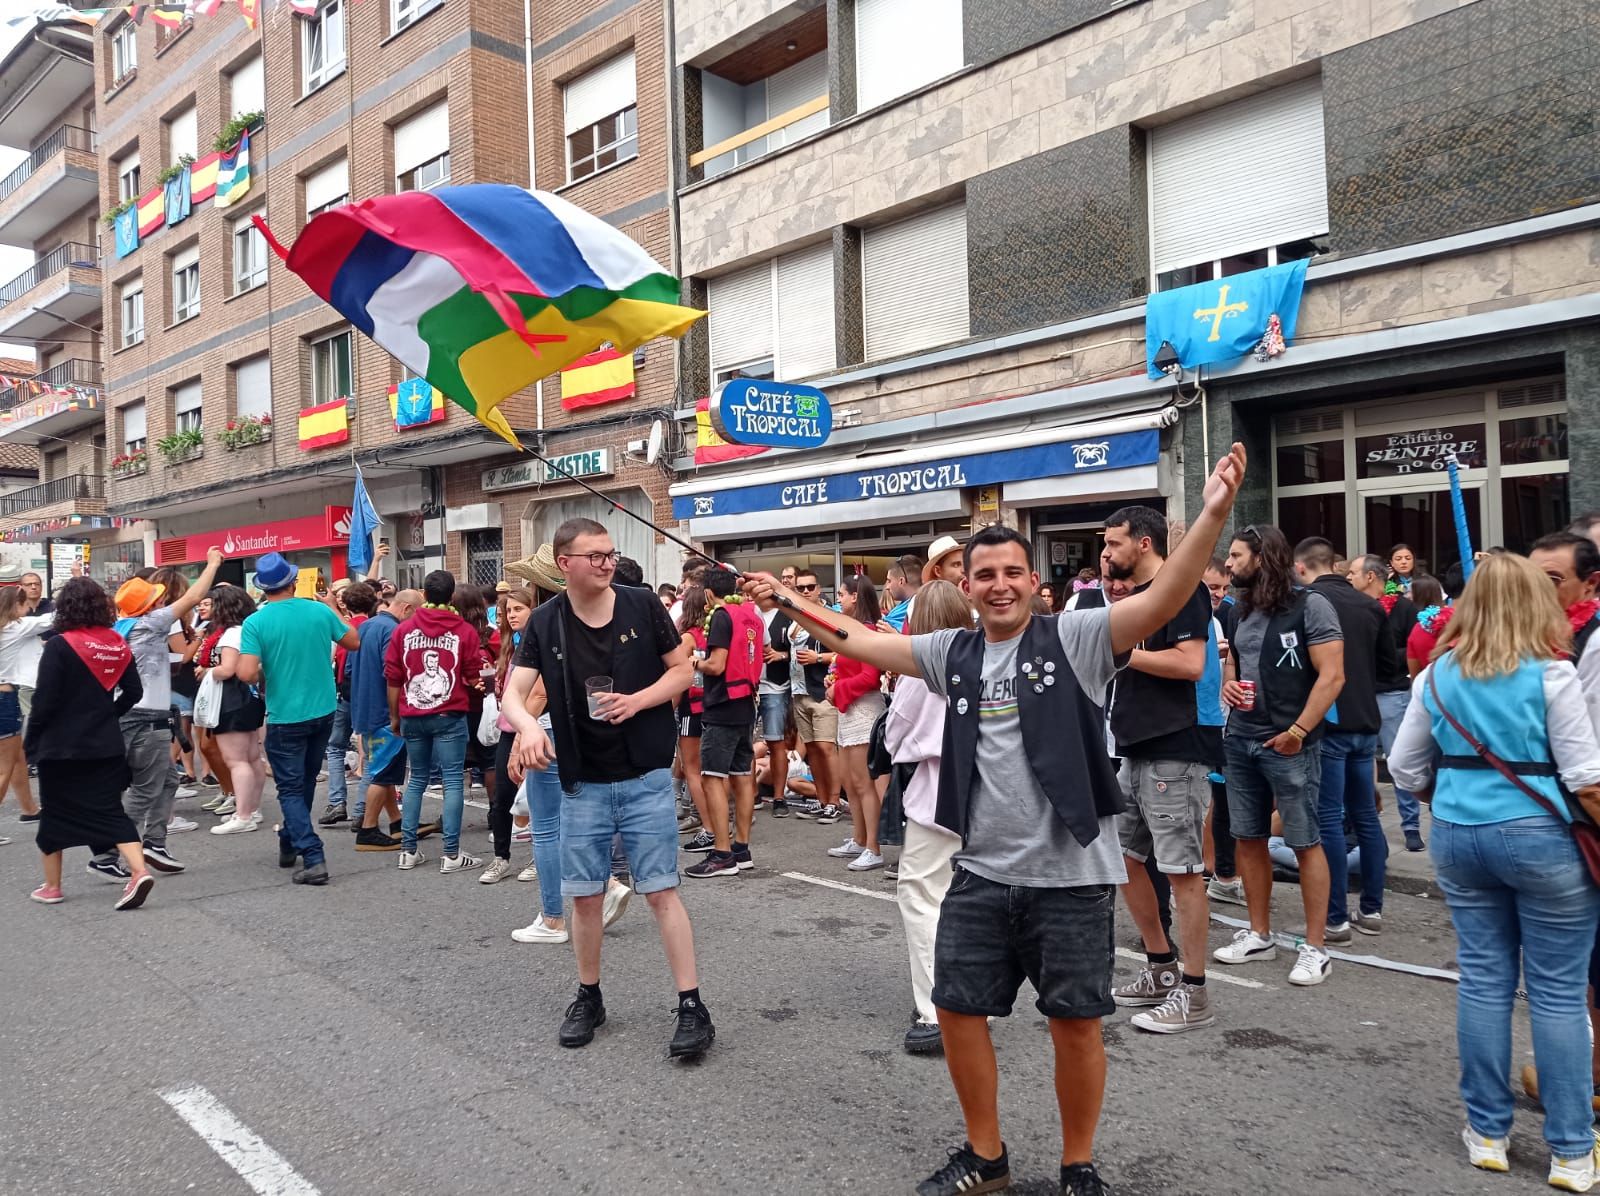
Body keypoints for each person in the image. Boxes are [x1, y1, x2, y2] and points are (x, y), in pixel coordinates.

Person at [742, 444, 1248, 1196]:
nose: (1000, 584)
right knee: (954, 1010)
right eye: (986, 575)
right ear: (967, 588)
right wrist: (783, 602)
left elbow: (1165, 600)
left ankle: (1079, 1164)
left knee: (1075, 1025)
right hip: (978, 869)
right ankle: (987, 1157)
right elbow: (860, 640)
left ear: (1033, 583)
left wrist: (1209, 516)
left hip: (1072, 875)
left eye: (1013, 572)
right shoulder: (952, 651)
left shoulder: (1078, 636)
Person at [1387, 551, 1600, 1190]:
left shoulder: (1437, 676)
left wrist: (1445, 797)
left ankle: (1487, 1133)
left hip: (1457, 835)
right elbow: (1587, 779)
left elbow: (1404, 767)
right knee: (1558, 992)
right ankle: (1570, 1150)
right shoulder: (1551, 675)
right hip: (1544, 839)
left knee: (1483, 982)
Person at [504, 518, 712, 1057]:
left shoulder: (642, 605)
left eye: (610, 553)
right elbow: (513, 695)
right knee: (586, 898)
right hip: (582, 783)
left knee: (662, 891)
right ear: (564, 562)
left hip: (644, 775)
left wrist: (637, 700)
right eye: (594, 555)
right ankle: (589, 996)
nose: (606, 562)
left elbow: (682, 673)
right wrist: (527, 727)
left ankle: (692, 1006)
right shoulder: (547, 623)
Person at [1099, 506, 1224, 1034]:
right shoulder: (1134, 598)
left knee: (1181, 872)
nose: (1105, 553)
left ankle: (1193, 994)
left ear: (1144, 544)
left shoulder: (1183, 590)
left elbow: (1191, 664)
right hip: (1136, 745)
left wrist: (1122, 652)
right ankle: (1161, 968)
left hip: (1177, 746)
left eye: (1113, 543)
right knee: (1125, 860)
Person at [1213, 526, 1344, 986]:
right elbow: (1235, 662)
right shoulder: (1239, 608)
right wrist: (1228, 681)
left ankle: (1316, 947)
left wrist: (1298, 731)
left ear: (1262, 557)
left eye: (1235, 556)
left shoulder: (1311, 605)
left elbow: (1332, 677)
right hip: (1241, 737)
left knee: (1305, 841)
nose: (1228, 565)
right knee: (1247, 837)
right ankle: (1259, 934)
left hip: (1290, 742)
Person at [89, 549, 223, 881]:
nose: (163, 602)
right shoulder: (151, 623)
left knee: (168, 780)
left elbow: (156, 662)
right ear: (149, 606)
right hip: (145, 717)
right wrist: (213, 564)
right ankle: (113, 854)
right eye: (158, 599)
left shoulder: (124, 626)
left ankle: (154, 843)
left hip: (137, 715)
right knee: (146, 789)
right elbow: (193, 595)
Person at [27, 577, 154, 910]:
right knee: (110, 811)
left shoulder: (59, 645)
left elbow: (44, 701)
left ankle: (52, 887)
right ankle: (139, 871)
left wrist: (32, 741)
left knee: (54, 814)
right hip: (105, 744)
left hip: (61, 747)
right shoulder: (116, 643)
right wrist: (109, 714)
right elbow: (135, 692)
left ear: (65, 607)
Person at [236, 551, 360, 887]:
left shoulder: (256, 622)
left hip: (285, 714)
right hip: (323, 709)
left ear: (262, 587)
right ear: (293, 582)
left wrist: (266, 668)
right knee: (303, 781)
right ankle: (290, 841)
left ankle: (312, 854)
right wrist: (333, 607)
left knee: (290, 787)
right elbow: (353, 640)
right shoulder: (318, 611)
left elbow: (246, 672)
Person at [885, 580, 970, 1055]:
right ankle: (967, 995)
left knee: (920, 893)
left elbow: (898, 735)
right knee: (967, 897)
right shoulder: (987, 654)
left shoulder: (921, 669)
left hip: (940, 792)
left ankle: (937, 1010)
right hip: (990, 790)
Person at [1296, 537, 1394, 942]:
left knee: (1331, 819)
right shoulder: (1369, 605)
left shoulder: (1306, 604)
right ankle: (1371, 909)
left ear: (1302, 567)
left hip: (1330, 722)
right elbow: (1390, 665)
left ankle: (1334, 917)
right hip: (1365, 721)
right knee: (1366, 816)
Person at [385, 570, 488, 875]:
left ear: (425, 596)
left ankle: (407, 851)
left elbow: (393, 676)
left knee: (416, 779)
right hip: (450, 714)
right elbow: (471, 674)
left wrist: (395, 716)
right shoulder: (464, 630)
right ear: (452, 597)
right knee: (453, 780)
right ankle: (451, 854)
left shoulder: (403, 630)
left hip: (412, 715)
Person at [684, 569, 764, 879]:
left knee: (712, 776)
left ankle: (721, 853)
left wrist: (695, 662)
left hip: (723, 702)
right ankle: (741, 848)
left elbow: (716, 665)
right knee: (743, 774)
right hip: (747, 700)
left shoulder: (720, 614)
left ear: (707, 593)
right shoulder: (750, 614)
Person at [1349, 553, 1424, 851]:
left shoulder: (1403, 608)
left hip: (1392, 694)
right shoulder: (1353, 608)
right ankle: (1366, 825)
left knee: (1397, 759)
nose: (1349, 578)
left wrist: (1383, 657)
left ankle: (1411, 825)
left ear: (1371, 577)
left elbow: (1414, 646)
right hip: (1360, 694)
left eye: (1353, 573)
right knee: (1363, 764)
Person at [349, 587, 424, 849]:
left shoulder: (366, 626)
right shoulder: (394, 631)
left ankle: (396, 821)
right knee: (384, 772)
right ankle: (368, 829)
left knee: (383, 769)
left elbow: (348, 669)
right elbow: (392, 673)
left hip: (364, 707)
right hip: (384, 711)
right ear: (407, 609)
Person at [828, 574, 887, 871]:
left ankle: (874, 846)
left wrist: (836, 689)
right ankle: (859, 838)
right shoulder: (851, 629)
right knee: (849, 782)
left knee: (863, 783)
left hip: (864, 710)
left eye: (842, 594)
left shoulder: (867, 631)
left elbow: (870, 676)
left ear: (855, 597)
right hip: (848, 710)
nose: (838, 599)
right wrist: (834, 680)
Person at [197, 585, 268, 835]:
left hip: (230, 699)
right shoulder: (250, 630)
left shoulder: (229, 635)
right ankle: (252, 809)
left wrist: (206, 671)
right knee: (251, 758)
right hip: (250, 699)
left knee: (236, 761)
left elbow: (227, 669)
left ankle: (243, 814)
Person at [788, 569, 841, 824]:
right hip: (799, 691)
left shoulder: (830, 616)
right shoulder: (794, 616)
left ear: (819, 589)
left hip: (822, 691)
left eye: (810, 587)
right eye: (801, 588)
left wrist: (818, 657)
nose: (806, 592)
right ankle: (821, 800)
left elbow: (846, 651)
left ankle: (834, 802)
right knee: (812, 749)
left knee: (826, 747)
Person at [0, 584, 51, 824]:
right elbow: (54, 618)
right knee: (4, 767)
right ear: (16, 606)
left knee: (18, 757)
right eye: (25, 605)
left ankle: (29, 809)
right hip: (4, 699)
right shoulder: (17, 627)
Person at [675, 585, 714, 850]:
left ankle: (709, 827)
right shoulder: (716, 633)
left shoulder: (688, 638)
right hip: (716, 705)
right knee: (712, 770)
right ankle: (719, 823)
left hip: (692, 706)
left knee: (692, 769)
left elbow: (677, 678)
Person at [757, 589, 794, 817]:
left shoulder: (786, 616)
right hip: (750, 685)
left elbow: (800, 648)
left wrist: (781, 655)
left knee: (776, 741)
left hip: (775, 686)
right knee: (746, 744)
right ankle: (752, 793)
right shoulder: (748, 612)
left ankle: (779, 797)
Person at [1405, 574, 1450, 676]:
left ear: (1419, 596)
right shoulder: (1458, 619)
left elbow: (1414, 674)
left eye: (1409, 592)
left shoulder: (1418, 629)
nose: (1407, 596)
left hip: (1430, 685)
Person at [884, 555, 924, 631]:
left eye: (889, 581)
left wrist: (896, 636)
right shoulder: (926, 603)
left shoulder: (921, 609)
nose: (887, 587)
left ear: (901, 581)